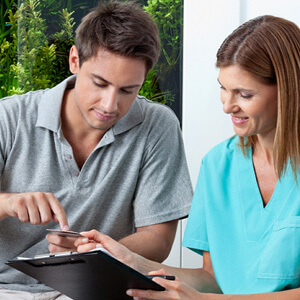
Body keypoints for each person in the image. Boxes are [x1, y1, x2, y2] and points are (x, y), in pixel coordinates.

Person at [75, 15, 300, 299]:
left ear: (288, 90)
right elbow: (213, 279)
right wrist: (133, 261)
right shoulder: (219, 165)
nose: (228, 106)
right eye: (223, 88)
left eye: (244, 94)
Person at [0, 0, 193, 298]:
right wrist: (7, 204)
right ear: (75, 60)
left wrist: (100, 251)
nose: (110, 105)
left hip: (96, 289)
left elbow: (158, 238)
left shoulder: (158, 126)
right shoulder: (9, 117)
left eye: (128, 90)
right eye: (99, 83)